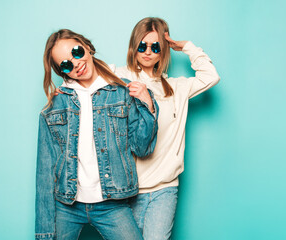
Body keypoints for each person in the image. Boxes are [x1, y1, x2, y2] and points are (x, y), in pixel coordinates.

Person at [35, 29, 158, 240]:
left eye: (77, 52)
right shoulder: (54, 107)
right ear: (61, 71)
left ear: (88, 47)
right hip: (67, 206)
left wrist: (148, 105)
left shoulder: (123, 92)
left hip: (112, 204)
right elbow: (45, 173)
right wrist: (44, 232)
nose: (76, 64)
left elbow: (143, 148)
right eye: (66, 64)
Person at [112, 17, 220, 240]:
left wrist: (187, 47)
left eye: (155, 46)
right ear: (134, 47)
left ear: (163, 51)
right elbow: (85, 77)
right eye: (142, 45)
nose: (148, 52)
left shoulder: (177, 87)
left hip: (164, 190)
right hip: (128, 190)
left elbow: (211, 77)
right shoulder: (121, 77)